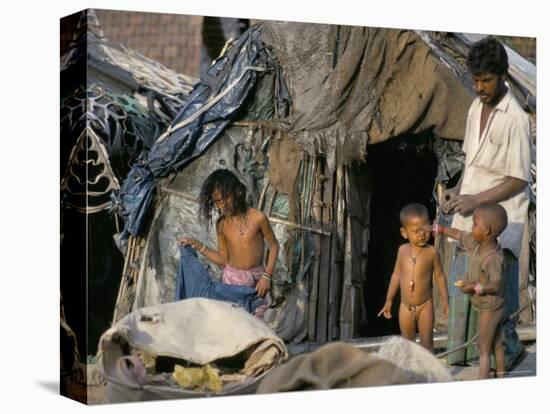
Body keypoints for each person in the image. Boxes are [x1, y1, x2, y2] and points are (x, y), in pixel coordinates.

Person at [442, 36, 531, 368]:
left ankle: (506, 354)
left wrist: (476, 199)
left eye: (486, 80)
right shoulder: (475, 106)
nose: (479, 87)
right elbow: (472, 161)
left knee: (496, 296)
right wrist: (458, 189)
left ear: (503, 76)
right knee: (463, 287)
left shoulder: (516, 118)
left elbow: (519, 177)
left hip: (499, 217)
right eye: (475, 80)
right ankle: (466, 354)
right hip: (470, 211)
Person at [178, 169, 279, 318]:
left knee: (254, 324)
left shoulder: (258, 218)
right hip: (231, 282)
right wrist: (197, 245)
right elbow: (224, 260)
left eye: (226, 197)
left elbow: (274, 246)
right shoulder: (222, 225)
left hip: (256, 283)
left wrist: (267, 276)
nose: (223, 204)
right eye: (218, 201)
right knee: (231, 322)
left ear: (237, 192)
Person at [432, 203, 508, 379]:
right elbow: (458, 234)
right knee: (496, 343)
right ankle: (503, 378)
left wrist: (474, 287)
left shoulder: (494, 258)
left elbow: (496, 285)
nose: (471, 227)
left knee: (483, 348)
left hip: (491, 307)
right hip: (487, 304)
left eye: (474, 224)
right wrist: (441, 229)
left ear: (487, 231)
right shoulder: (476, 243)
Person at [378, 203, 449, 352]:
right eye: (416, 231)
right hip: (405, 307)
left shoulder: (432, 252)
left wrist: (445, 300)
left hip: (425, 306)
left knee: (427, 343)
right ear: (404, 233)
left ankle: (429, 373)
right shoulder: (402, 251)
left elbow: (440, 276)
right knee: (407, 344)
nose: (422, 234)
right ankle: (411, 373)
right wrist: (389, 300)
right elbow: (396, 275)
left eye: (425, 229)